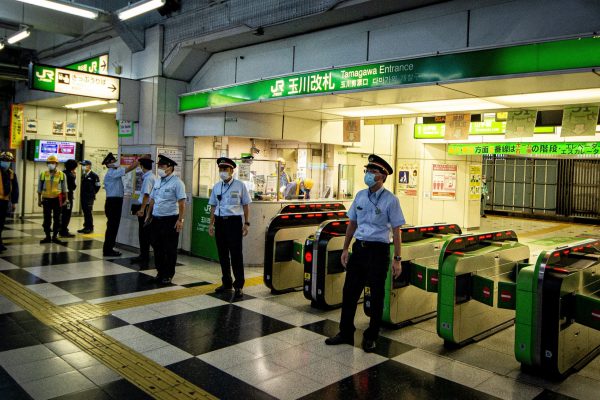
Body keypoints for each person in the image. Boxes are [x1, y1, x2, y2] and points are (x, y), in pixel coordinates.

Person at [325, 154, 405, 353]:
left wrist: (397, 259)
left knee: (377, 295)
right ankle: (345, 332)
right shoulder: (360, 195)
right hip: (359, 249)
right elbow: (352, 223)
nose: (368, 174)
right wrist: (345, 248)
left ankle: (371, 336)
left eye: (373, 171)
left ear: (382, 176)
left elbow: (396, 231)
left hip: (379, 252)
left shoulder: (391, 200)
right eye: (367, 171)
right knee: (350, 292)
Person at [208, 157, 251, 298]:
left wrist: (246, 223)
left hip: (234, 223)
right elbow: (213, 206)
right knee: (223, 255)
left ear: (232, 170)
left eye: (225, 169)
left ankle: (238, 285)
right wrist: (211, 224)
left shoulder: (240, 185)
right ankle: (226, 283)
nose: (222, 172)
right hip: (220, 223)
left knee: (236, 255)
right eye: (220, 169)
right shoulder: (216, 186)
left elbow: (245, 205)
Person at [146, 154, 186, 284]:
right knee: (157, 247)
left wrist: (180, 220)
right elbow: (152, 199)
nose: (160, 168)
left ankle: (168, 274)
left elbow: (182, 203)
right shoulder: (158, 181)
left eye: (162, 166)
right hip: (157, 219)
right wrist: (148, 215)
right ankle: (160, 272)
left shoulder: (177, 183)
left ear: (170, 167)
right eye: (159, 166)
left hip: (170, 219)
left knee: (169, 248)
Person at [102, 153, 138, 256]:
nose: (116, 162)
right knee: (112, 227)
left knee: (113, 226)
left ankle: (109, 248)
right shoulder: (112, 173)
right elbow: (129, 169)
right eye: (113, 161)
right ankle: (108, 250)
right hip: (113, 202)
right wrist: (139, 161)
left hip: (115, 202)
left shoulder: (114, 172)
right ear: (109, 164)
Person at [38, 155, 68, 244]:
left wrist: (66, 200)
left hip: (57, 199)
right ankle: (47, 236)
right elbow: (39, 188)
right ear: (47, 164)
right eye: (49, 163)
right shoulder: (43, 174)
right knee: (47, 219)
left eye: (53, 163)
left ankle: (55, 236)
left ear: (56, 164)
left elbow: (65, 188)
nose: (51, 164)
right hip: (46, 199)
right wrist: (39, 200)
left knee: (57, 218)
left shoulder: (62, 175)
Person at [132, 157, 155, 269]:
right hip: (147, 207)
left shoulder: (148, 178)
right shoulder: (151, 176)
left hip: (145, 208)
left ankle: (144, 255)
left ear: (142, 166)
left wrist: (142, 210)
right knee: (145, 232)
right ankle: (144, 254)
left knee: (144, 233)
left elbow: (146, 195)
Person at [0, 152, 18, 252]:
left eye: (7, 161)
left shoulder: (11, 173)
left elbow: (15, 188)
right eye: (4, 160)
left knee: (1, 223)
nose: (5, 162)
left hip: (4, 202)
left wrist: (14, 202)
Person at [78, 160, 100, 234]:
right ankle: (86, 226)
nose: (83, 167)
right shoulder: (83, 175)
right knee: (85, 212)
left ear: (89, 166)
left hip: (89, 197)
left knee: (88, 212)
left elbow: (98, 186)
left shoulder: (94, 175)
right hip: (83, 197)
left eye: (84, 165)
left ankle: (90, 227)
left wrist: (92, 193)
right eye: (82, 165)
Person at [59, 159, 78, 238]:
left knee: (61, 213)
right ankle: (64, 231)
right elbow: (73, 187)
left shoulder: (61, 173)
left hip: (60, 196)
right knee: (67, 214)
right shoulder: (70, 175)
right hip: (68, 197)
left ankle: (59, 229)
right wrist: (74, 177)